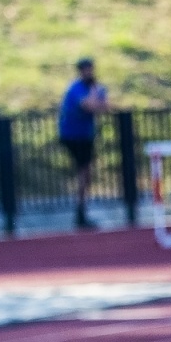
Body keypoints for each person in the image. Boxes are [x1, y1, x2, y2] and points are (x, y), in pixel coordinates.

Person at [59, 58, 109, 228]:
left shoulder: (95, 87)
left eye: (90, 69)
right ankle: (80, 211)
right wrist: (95, 93)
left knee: (86, 172)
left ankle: (81, 210)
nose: (89, 72)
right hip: (73, 135)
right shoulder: (76, 88)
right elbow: (90, 106)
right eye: (86, 69)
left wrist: (97, 97)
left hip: (86, 135)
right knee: (84, 171)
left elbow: (104, 106)